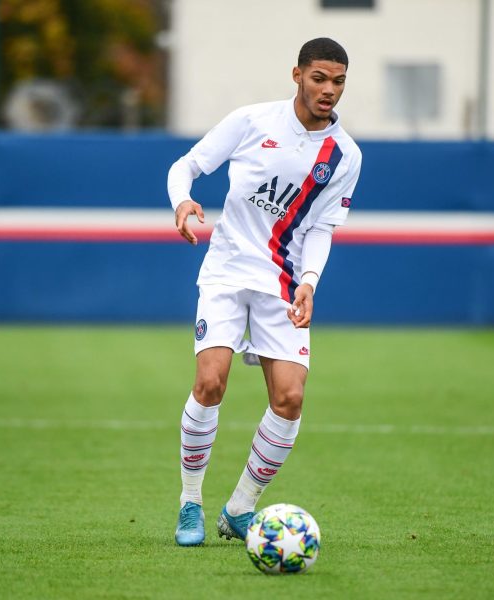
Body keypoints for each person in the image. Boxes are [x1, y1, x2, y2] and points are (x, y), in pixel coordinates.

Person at [167, 37, 362, 546]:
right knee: (211, 383)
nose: (329, 90)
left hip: (282, 283)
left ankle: (239, 508)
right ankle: (190, 503)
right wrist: (184, 202)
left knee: (291, 398)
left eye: (338, 81)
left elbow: (321, 229)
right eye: (319, 78)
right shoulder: (253, 121)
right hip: (228, 271)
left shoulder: (344, 155)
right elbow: (185, 165)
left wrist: (310, 283)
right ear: (296, 74)